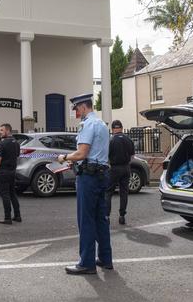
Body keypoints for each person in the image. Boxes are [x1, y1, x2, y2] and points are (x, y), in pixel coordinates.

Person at [57, 93, 112, 275]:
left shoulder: (88, 124)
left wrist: (64, 157)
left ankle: (87, 263)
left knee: (86, 220)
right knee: (100, 219)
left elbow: (82, 153)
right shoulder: (102, 124)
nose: (76, 112)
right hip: (102, 174)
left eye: (76, 109)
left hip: (89, 178)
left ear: (82, 107)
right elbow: (95, 153)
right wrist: (78, 160)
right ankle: (105, 258)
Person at [0, 123, 21, 225]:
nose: (0, 132)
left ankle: (7, 218)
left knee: (5, 195)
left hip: (3, 173)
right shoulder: (16, 143)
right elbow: (17, 156)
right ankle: (17, 216)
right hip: (12, 172)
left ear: (8, 131)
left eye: (2, 130)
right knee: (12, 194)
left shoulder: (1, 144)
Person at [106, 120, 135, 225]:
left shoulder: (111, 140)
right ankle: (122, 216)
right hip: (126, 168)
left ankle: (107, 217)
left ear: (113, 129)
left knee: (108, 192)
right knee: (124, 193)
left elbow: (107, 157)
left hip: (114, 169)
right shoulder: (128, 139)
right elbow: (132, 156)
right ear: (122, 128)